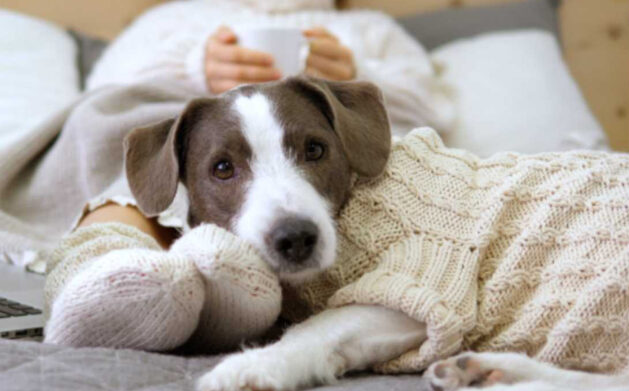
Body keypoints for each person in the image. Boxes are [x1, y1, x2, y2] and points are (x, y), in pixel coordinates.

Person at [81, 0, 454, 246]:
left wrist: (356, 74)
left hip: (322, 165)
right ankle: (109, 264)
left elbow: (429, 111)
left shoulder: (370, 28)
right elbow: (105, 90)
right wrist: (193, 68)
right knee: (153, 179)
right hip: (182, 146)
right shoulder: (172, 19)